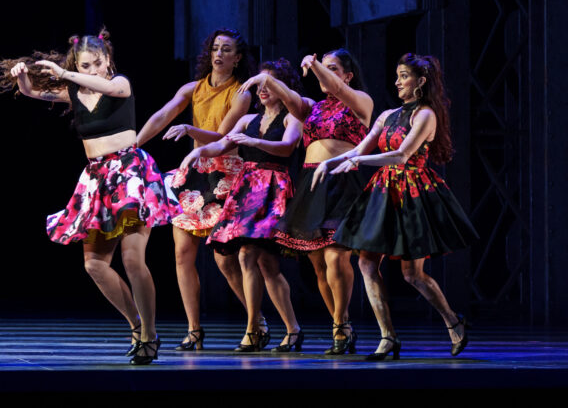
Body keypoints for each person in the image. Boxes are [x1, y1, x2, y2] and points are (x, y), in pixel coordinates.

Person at [0, 29, 179, 365]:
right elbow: (35, 93)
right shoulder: (74, 91)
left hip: (129, 178)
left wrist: (65, 73)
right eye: (84, 65)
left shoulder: (120, 83)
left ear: (108, 61)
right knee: (94, 264)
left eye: (96, 64)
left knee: (133, 259)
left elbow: (108, 87)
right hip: (96, 182)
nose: (91, 70)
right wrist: (22, 79)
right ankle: (136, 325)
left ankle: (151, 334)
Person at [313, 53, 478, 359]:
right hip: (383, 191)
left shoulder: (426, 115)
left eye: (404, 76)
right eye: (398, 76)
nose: (398, 82)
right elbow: (361, 148)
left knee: (412, 274)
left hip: (413, 193)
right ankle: (388, 336)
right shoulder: (387, 115)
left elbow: (401, 155)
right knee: (366, 263)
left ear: (421, 82)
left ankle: (453, 320)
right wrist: (330, 163)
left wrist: (356, 160)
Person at [136, 29, 269, 351]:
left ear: (238, 58)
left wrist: (189, 129)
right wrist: (133, 146)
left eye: (226, 50)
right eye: (215, 48)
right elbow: (163, 115)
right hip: (193, 174)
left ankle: (257, 322)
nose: (219, 54)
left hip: (226, 175)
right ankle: (194, 330)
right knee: (182, 255)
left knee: (225, 261)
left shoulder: (242, 93)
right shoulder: (192, 88)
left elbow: (222, 137)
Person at [181, 58, 304, 353]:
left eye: (268, 84)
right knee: (264, 263)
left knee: (251, 256)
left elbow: (287, 146)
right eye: (258, 84)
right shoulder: (248, 120)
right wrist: (194, 153)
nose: (261, 90)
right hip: (247, 190)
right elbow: (221, 144)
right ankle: (291, 330)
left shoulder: (292, 117)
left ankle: (254, 330)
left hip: (273, 189)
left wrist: (254, 142)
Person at [271, 50, 373, 354]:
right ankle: (341, 326)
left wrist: (314, 65)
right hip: (311, 183)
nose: (323, 76)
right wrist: (264, 79)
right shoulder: (313, 108)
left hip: (342, 183)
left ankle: (341, 325)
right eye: (321, 69)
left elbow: (339, 90)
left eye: (332, 69)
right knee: (318, 264)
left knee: (336, 257)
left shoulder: (360, 100)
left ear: (347, 74)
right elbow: (290, 99)